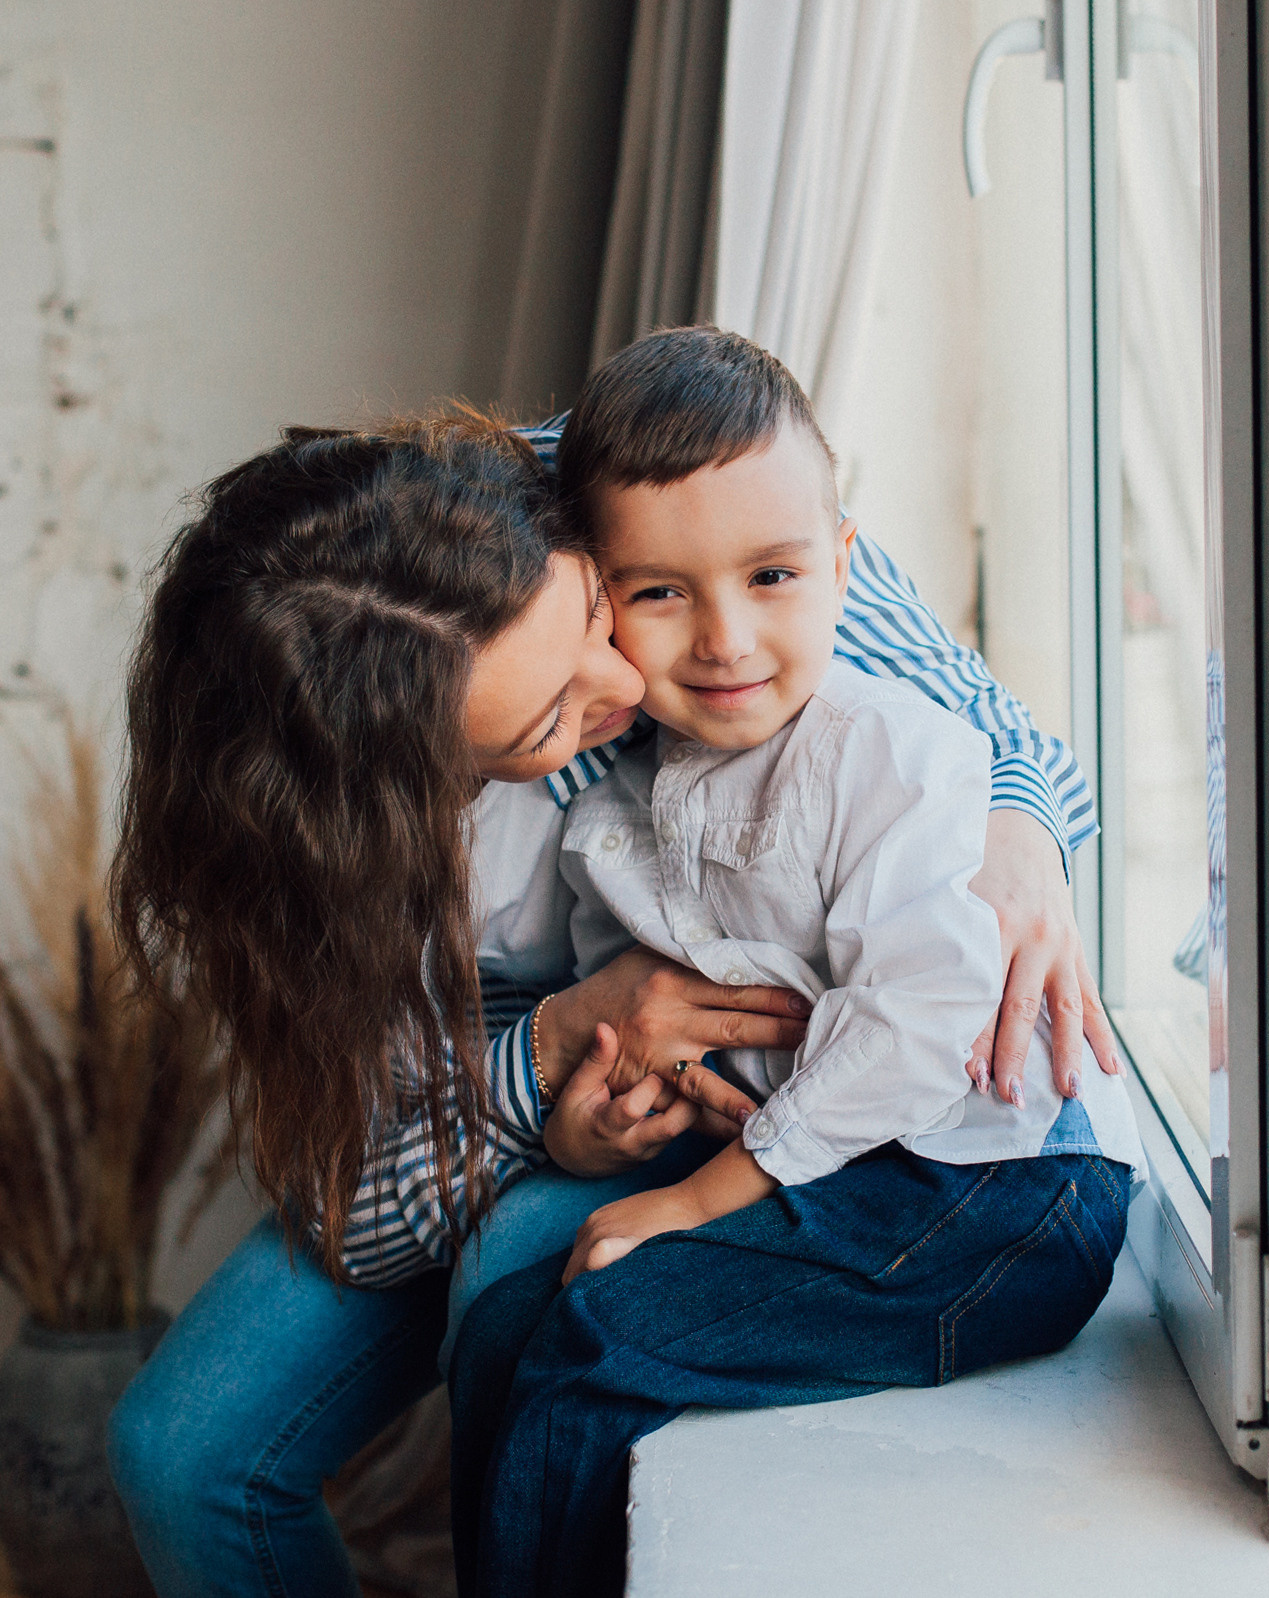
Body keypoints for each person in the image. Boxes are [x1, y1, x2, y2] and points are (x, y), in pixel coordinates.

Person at [103, 395, 1112, 1598]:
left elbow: (994, 732)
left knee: (520, 1279)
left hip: (796, 1095)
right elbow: (350, 1190)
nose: (624, 679)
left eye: (593, 608)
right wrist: (547, 1068)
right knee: (177, 1454)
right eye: (549, 719)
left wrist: (1022, 841)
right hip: (510, 1098)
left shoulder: (657, 489)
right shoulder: (315, 846)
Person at [449, 329, 1142, 1598]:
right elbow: (652, 1031)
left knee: (592, 1343)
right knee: (501, 1323)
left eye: (773, 575)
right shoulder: (615, 816)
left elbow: (915, 1025)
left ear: (844, 569)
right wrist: (614, 1111)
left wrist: (694, 1198)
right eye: (662, 593)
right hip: (841, 1174)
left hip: (987, 1193)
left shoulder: (903, 752)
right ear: (596, 604)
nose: (726, 638)